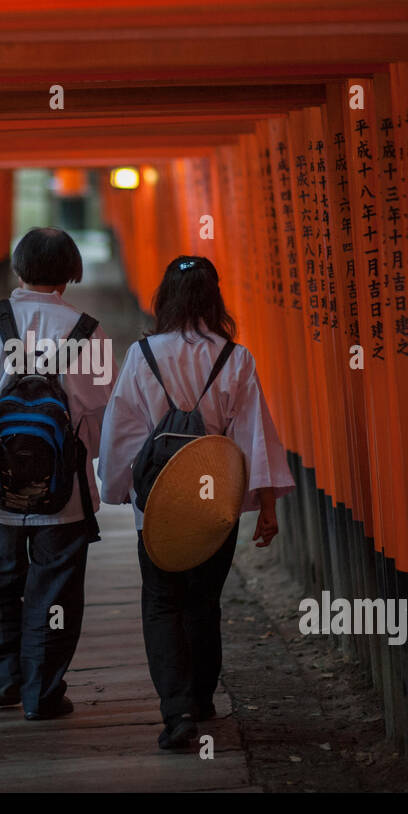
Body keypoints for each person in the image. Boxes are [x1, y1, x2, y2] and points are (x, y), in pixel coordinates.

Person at [99, 255, 295, 749]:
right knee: (204, 602)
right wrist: (266, 506)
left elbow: (122, 431)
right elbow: (254, 437)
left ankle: (177, 708)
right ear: (215, 298)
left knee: (162, 602)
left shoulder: (142, 355)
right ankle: (203, 698)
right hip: (215, 503)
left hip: (160, 501)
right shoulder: (236, 358)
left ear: (164, 298)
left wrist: (118, 490)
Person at [0, 227, 115, 721]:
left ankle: (5, 680)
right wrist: (88, 463)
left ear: (18, 268)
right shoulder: (88, 329)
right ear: (71, 274)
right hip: (65, 491)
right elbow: (100, 410)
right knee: (55, 589)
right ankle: (43, 691)